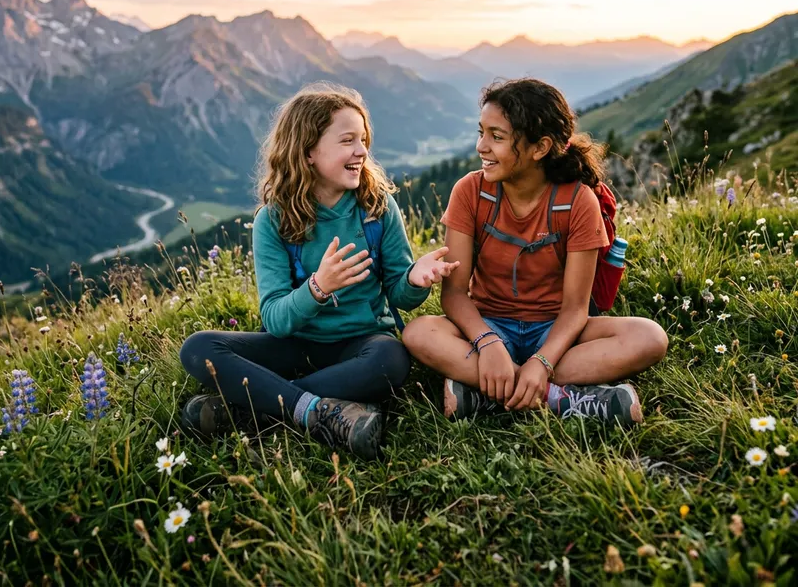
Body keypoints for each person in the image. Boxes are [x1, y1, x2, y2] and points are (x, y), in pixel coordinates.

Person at [179, 84, 459, 459]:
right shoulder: (273, 221)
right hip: (296, 344)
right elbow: (276, 320)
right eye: (347, 141)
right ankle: (319, 410)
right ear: (309, 151)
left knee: (391, 359)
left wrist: (413, 279)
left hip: (361, 344)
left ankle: (254, 409)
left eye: (363, 140)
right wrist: (317, 287)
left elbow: (398, 295)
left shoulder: (377, 207)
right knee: (199, 348)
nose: (361, 151)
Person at [402, 78, 668, 424]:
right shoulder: (469, 191)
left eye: (497, 137)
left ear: (539, 148)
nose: (482, 146)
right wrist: (488, 343)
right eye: (481, 132)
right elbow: (453, 295)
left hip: (556, 331)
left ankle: (491, 392)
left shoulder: (577, 201)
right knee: (419, 333)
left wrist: (542, 362)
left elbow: (575, 310)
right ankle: (562, 398)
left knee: (650, 338)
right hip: (489, 323)